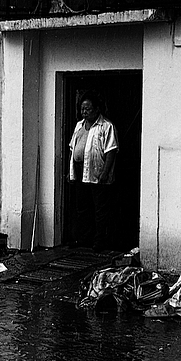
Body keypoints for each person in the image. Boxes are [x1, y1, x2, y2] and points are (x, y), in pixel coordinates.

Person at [67, 92, 119, 250]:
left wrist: (105, 172)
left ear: (97, 109)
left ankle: (99, 241)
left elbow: (111, 150)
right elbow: (72, 148)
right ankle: (84, 239)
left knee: (100, 209)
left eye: (88, 109)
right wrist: (70, 171)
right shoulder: (79, 125)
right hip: (80, 171)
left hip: (97, 172)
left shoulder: (106, 126)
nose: (84, 112)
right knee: (82, 208)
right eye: (82, 109)